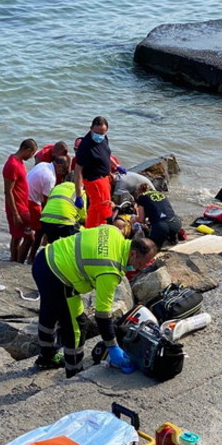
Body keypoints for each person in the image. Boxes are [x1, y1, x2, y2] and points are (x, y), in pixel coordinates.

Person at [32, 226, 157, 378]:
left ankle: (46, 358)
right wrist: (112, 347)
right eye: (140, 264)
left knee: (49, 312)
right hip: (57, 277)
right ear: (133, 254)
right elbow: (102, 314)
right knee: (77, 325)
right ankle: (74, 373)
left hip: (44, 259)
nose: (140, 269)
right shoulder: (109, 271)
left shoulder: (113, 231)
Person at [73, 116, 126, 229]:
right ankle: (93, 230)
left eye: (102, 132)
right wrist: (78, 195)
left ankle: (101, 227)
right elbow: (77, 171)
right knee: (100, 209)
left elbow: (106, 155)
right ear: (91, 128)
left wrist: (116, 166)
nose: (100, 135)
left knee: (105, 207)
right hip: (94, 181)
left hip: (105, 179)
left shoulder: (103, 138)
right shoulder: (85, 146)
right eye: (97, 132)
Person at [20, 155, 70, 263]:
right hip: (31, 203)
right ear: (60, 166)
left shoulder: (43, 164)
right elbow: (47, 204)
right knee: (39, 232)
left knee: (26, 234)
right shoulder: (50, 178)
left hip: (23, 197)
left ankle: (20, 258)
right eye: (64, 170)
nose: (62, 173)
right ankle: (31, 258)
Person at [2, 138, 37, 262]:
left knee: (17, 237)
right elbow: (8, 191)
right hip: (18, 209)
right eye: (32, 153)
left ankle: (14, 260)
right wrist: (16, 214)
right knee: (29, 238)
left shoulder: (19, 162)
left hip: (22, 205)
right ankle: (18, 261)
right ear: (27, 150)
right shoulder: (12, 165)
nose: (32, 156)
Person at [39, 178, 87, 244]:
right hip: (65, 223)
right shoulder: (80, 192)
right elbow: (83, 215)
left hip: (45, 221)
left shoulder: (56, 188)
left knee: (53, 245)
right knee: (82, 235)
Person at [134, 183, 183, 249]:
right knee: (166, 220)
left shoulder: (142, 197)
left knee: (149, 244)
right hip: (176, 223)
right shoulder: (160, 193)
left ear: (140, 191)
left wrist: (133, 219)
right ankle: (172, 237)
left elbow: (141, 220)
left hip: (161, 227)